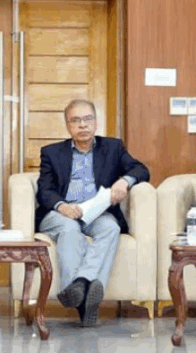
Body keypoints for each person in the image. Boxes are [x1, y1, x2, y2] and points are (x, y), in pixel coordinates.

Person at [36, 99, 149, 327]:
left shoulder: (113, 147)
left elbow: (141, 169)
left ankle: (79, 284)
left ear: (96, 121)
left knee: (111, 228)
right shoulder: (52, 152)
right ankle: (86, 301)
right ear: (67, 125)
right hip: (62, 213)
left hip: (97, 212)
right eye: (76, 120)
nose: (83, 125)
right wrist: (62, 206)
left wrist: (124, 182)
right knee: (69, 229)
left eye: (88, 119)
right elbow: (44, 190)